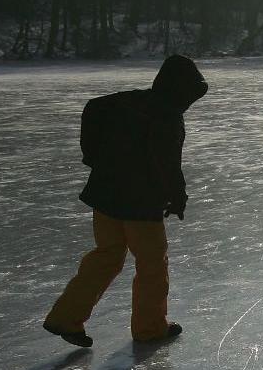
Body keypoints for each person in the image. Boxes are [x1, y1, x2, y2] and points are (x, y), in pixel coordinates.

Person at [43, 55, 208, 348]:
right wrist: (178, 197)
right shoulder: (166, 117)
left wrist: (94, 157)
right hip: (140, 206)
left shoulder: (130, 101)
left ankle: (65, 317)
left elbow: (93, 108)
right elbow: (168, 165)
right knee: (152, 265)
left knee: (106, 255)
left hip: (105, 196)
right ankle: (150, 328)